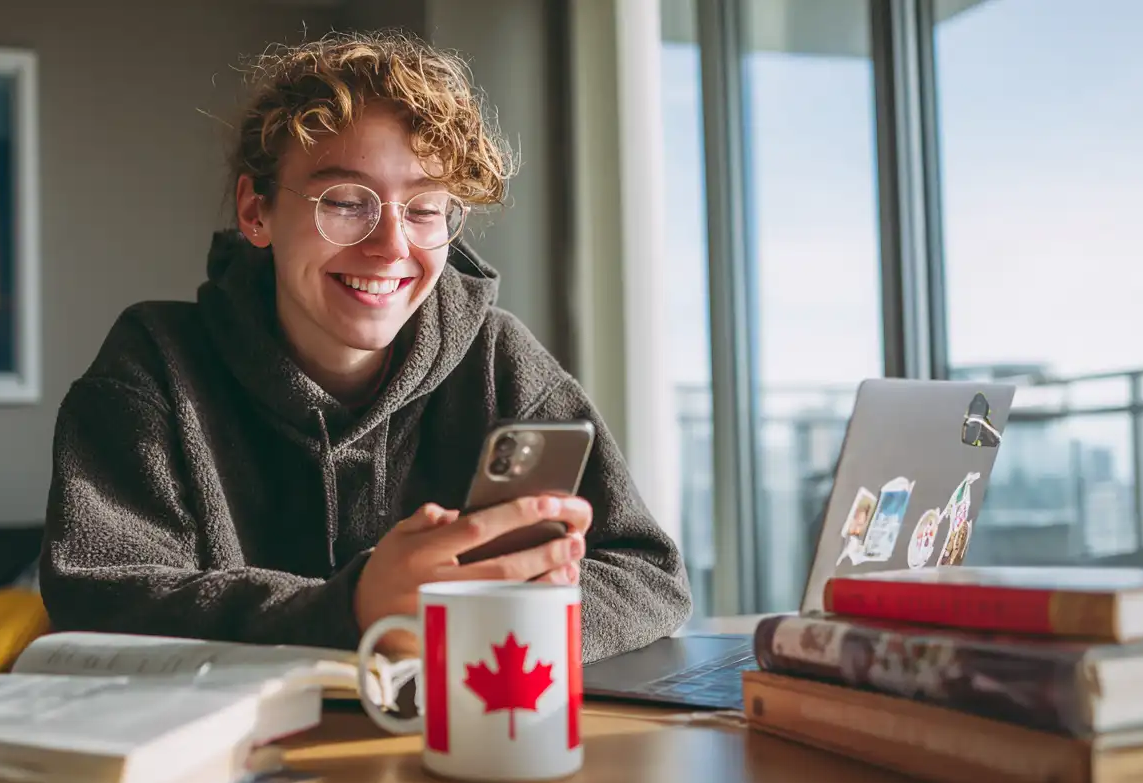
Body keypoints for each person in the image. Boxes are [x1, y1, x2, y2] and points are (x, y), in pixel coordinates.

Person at [39, 30, 692, 664]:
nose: (390, 247)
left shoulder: (499, 360)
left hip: (454, 746)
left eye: (425, 208)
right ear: (255, 211)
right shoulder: (154, 365)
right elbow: (99, 594)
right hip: (232, 761)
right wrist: (351, 611)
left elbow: (648, 575)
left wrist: (492, 618)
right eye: (346, 201)